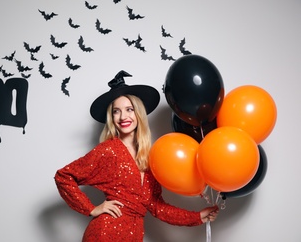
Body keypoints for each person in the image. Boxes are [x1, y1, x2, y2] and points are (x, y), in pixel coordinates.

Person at [54, 70, 219, 241]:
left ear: (138, 113)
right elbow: (64, 176)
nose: (123, 116)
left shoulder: (148, 158)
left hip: (134, 235)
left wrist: (198, 216)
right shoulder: (109, 150)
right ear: (111, 117)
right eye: (116, 111)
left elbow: (157, 207)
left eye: (129, 109)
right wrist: (91, 208)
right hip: (105, 233)